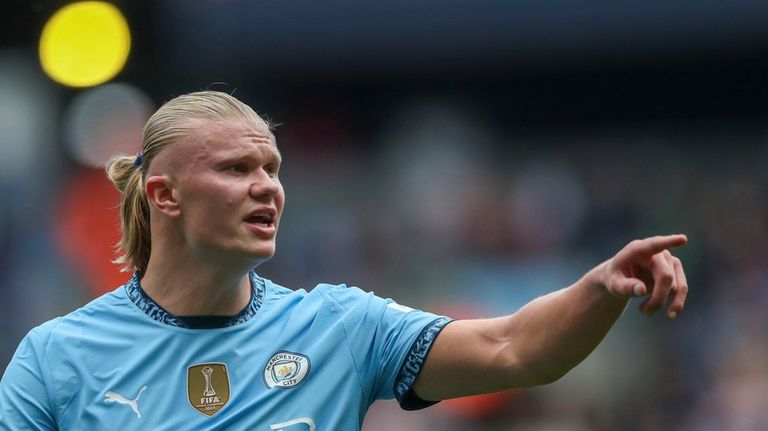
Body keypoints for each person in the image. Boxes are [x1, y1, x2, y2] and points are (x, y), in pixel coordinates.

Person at [0, 91, 689, 430]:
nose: (268, 185)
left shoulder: (341, 327)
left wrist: (600, 287)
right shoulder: (57, 357)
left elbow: (514, 349)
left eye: (272, 167)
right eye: (238, 168)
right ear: (164, 194)